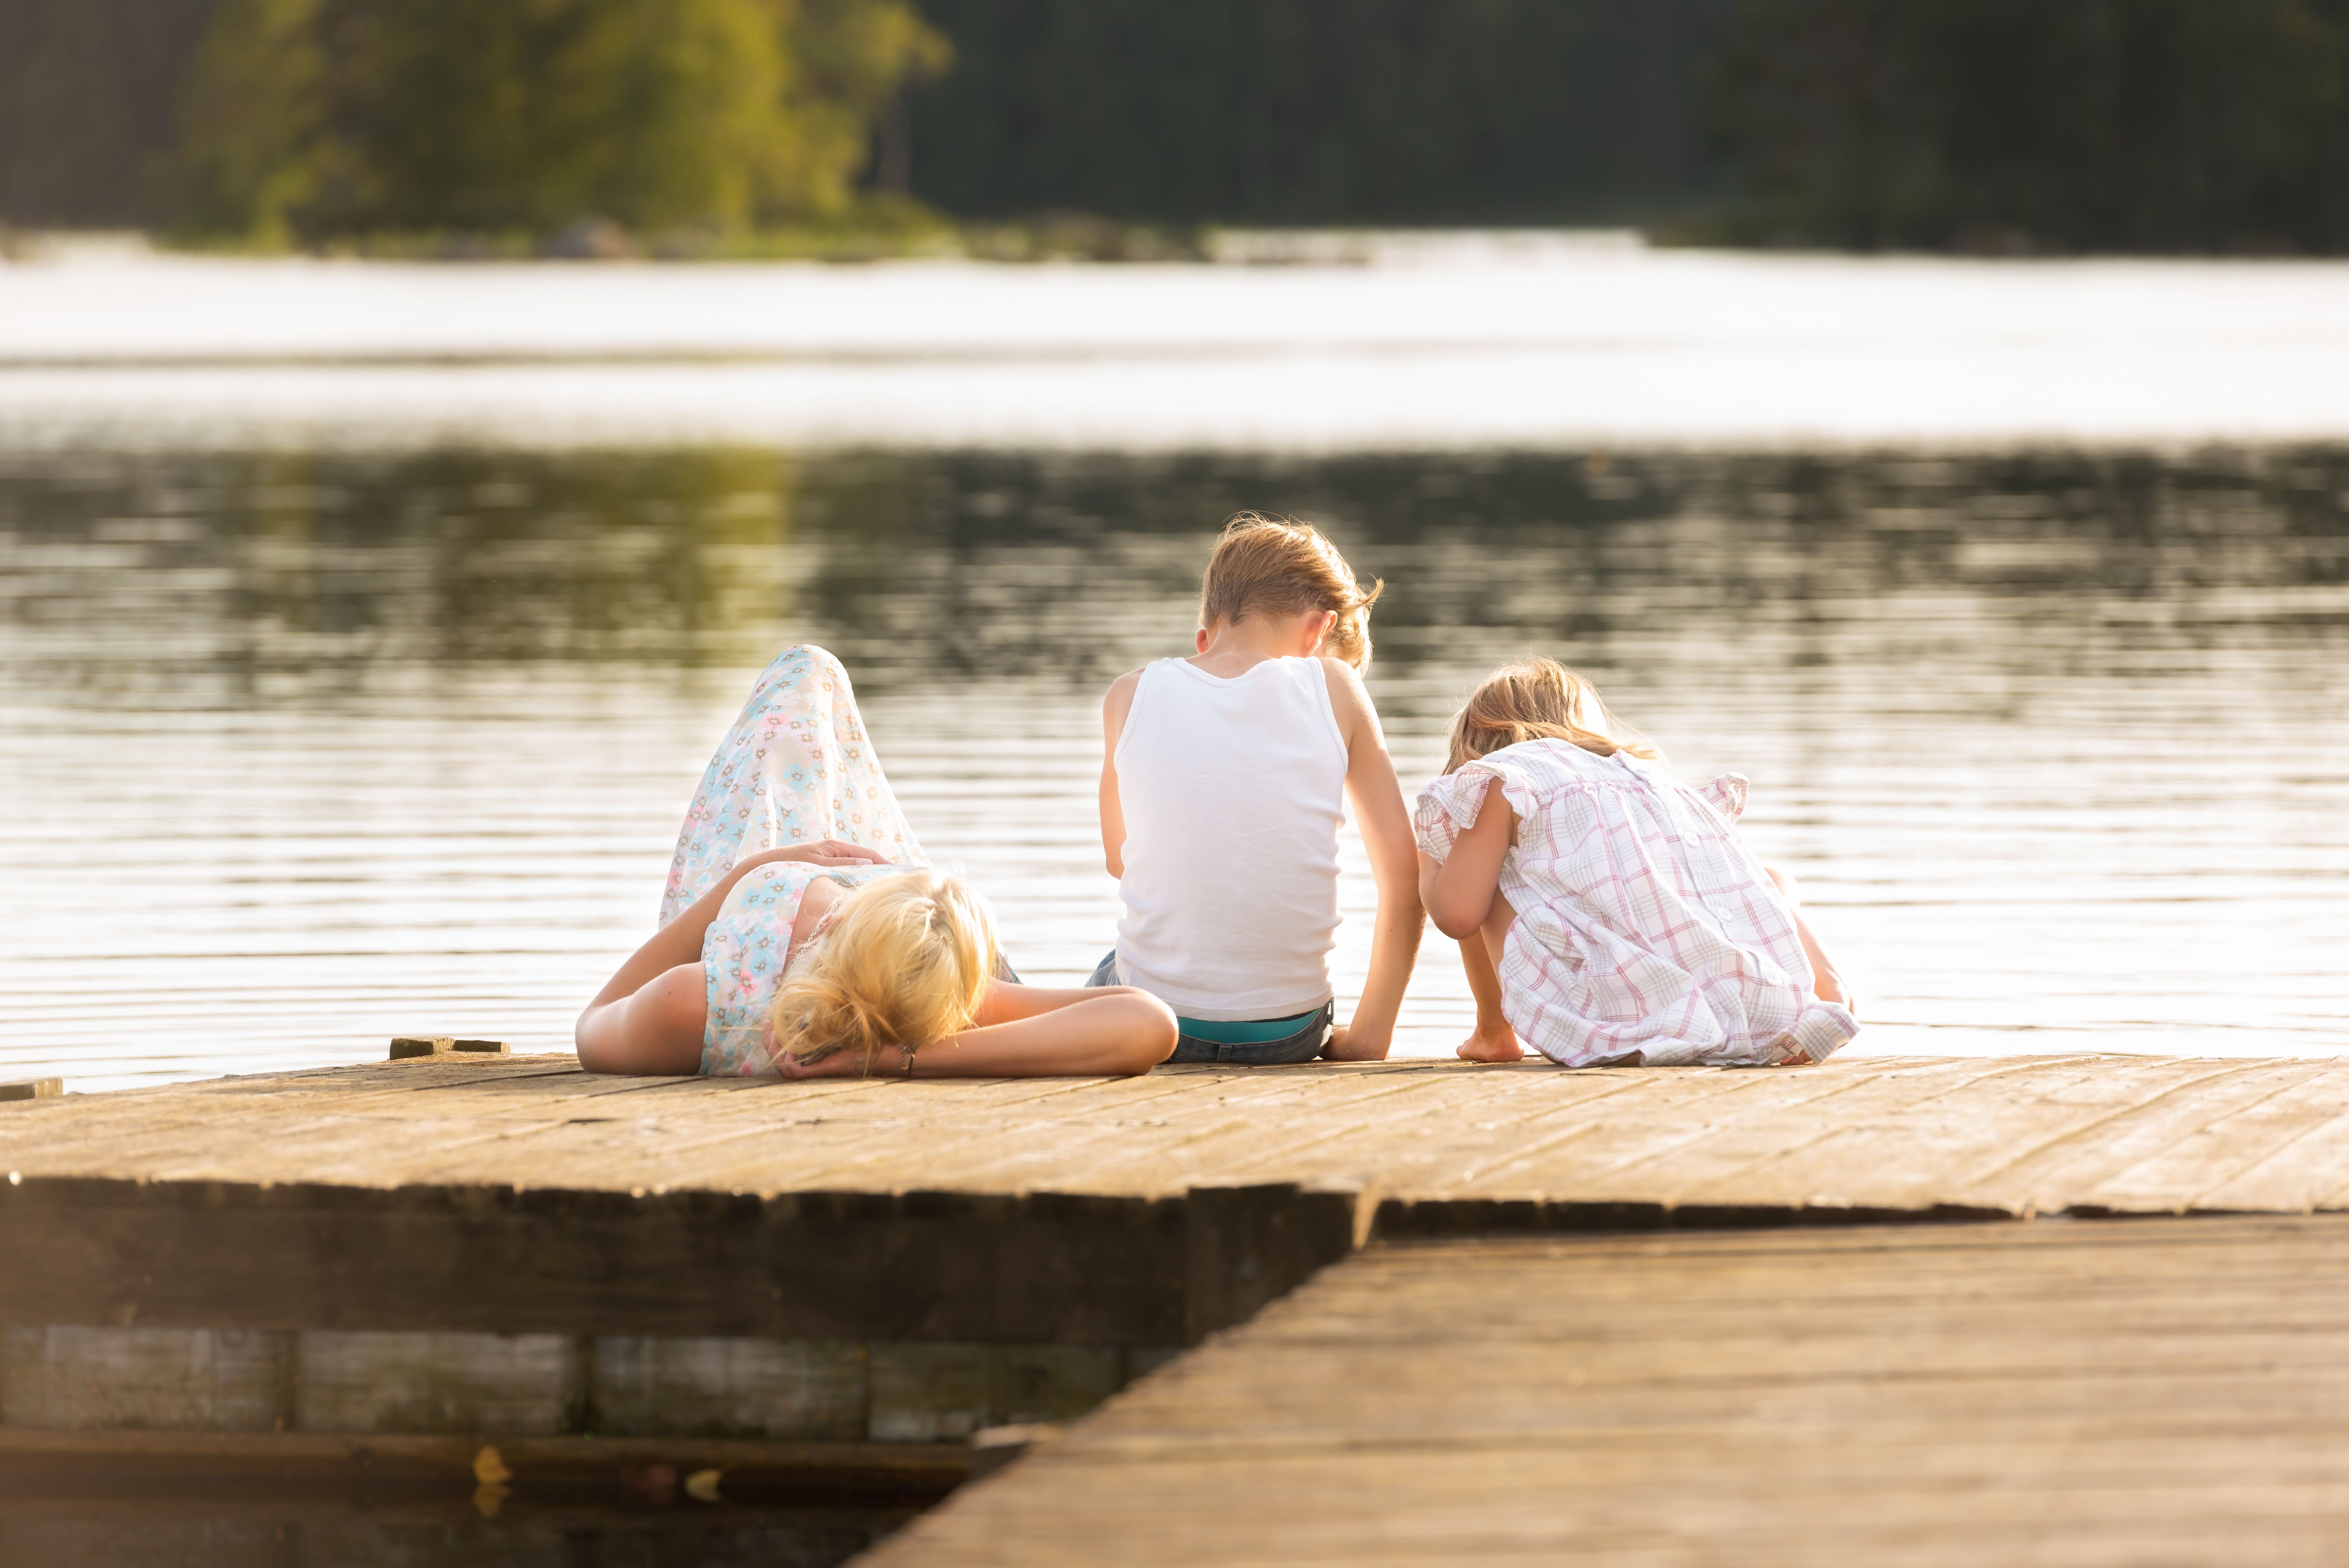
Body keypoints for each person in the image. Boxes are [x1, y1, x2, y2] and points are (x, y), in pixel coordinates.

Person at [577, 645, 1177, 1079]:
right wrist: (899, 1057)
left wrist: (743, 875)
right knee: (816, 697)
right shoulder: (949, 1005)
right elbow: (1151, 1023)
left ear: (838, 922)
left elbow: (595, 1020)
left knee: (805, 673)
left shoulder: (699, 1001)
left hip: (755, 902)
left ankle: (829, 832)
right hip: (900, 932)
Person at [1092, 514, 1424, 1064]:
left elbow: (1120, 859)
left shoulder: (1128, 695)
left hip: (1156, 1020)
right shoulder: (1335, 687)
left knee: (1106, 970)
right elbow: (1403, 880)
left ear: (1205, 637)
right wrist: (1369, 1040)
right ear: (1318, 632)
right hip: (1288, 1034)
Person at [1415, 657, 1856, 1068]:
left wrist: (1431, 860)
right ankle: (1827, 992)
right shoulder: (1650, 779)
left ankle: (1494, 1032)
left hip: (1613, 1025)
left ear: (1478, 739)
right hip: (1760, 1013)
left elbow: (1458, 915)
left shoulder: (1506, 777)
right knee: (1769, 880)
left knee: (1479, 867)